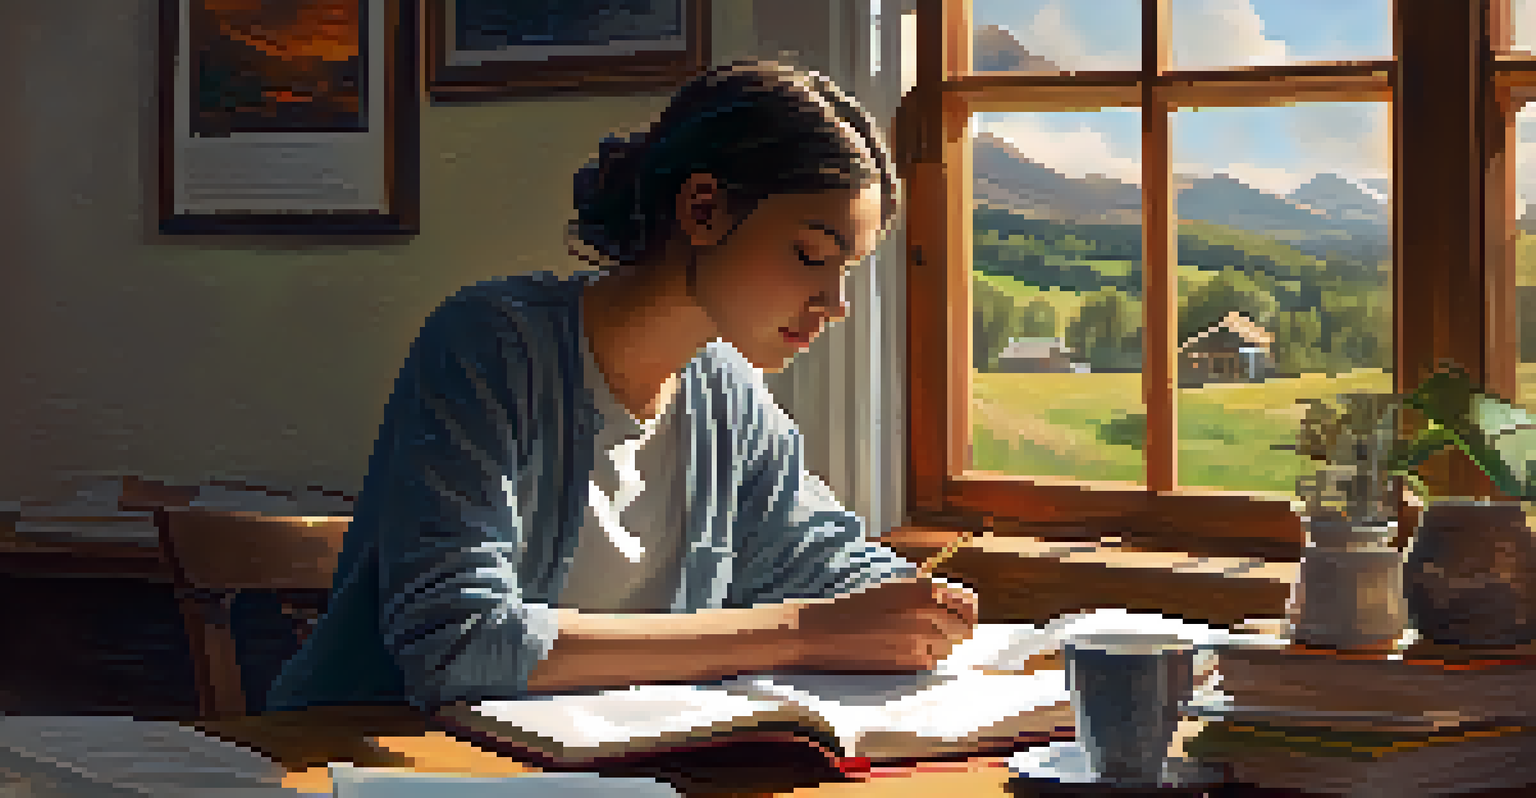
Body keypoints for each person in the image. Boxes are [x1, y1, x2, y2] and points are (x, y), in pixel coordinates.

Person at [265, 60, 979, 715]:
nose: (835, 303)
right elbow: (458, 644)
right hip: (370, 762)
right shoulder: (492, 345)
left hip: (588, 772)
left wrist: (924, 612)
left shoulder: (729, 395)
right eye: (811, 256)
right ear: (703, 210)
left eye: (846, 270)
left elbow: (825, 562)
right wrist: (801, 631)